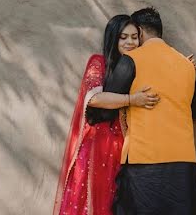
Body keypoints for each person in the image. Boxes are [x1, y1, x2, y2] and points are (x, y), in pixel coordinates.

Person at [96, 7, 196, 215]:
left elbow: (104, 109)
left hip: (143, 161)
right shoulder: (187, 64)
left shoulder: (131, 60)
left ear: (139, 31)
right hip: (183, 162)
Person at [54, 14, 161, 215]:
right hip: (97, 146)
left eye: (134, 37)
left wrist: (184, 67)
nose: (130, 42)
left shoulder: (139, 67)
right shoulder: (99, 63)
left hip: (126, 148)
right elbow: (95, 99)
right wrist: (132, 100)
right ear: (113, 38)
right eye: (123, 37)